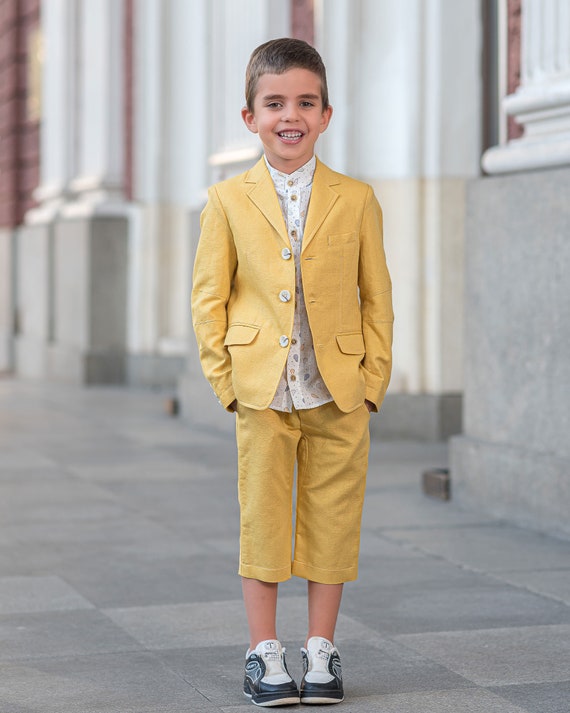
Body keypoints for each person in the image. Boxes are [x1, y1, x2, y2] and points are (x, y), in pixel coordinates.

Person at [192, 37, 393, 707]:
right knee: (264, 516)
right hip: (262, 389)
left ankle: (322, 647)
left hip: (338, 388)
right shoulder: (225, 199)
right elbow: (209, 299)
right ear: (249, 116)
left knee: (334, 515)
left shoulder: (356, 198)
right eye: (274, 102)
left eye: (306, 102)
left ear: (327, 115)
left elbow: (377, 298)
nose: (291, 115)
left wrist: (372, 382)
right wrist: (227, 382)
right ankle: (263, 650)